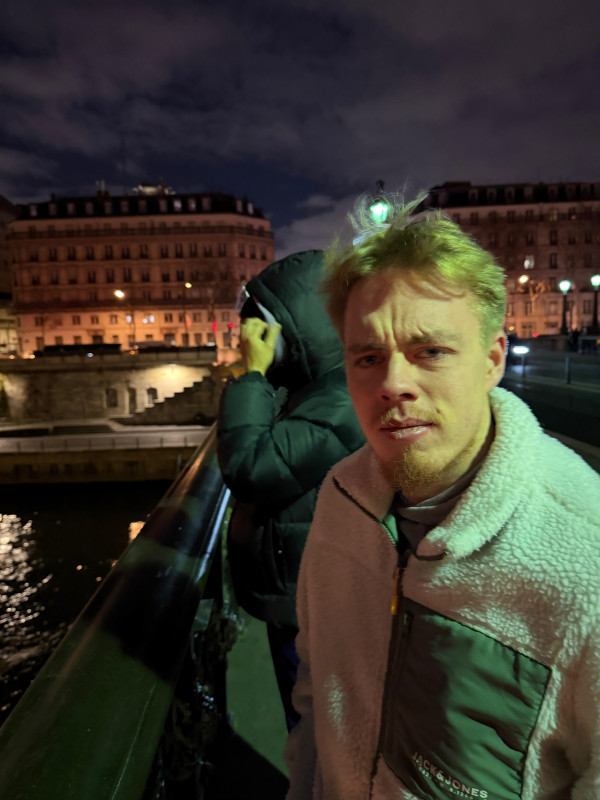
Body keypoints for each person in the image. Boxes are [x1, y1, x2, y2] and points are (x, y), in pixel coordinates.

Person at [286, 195, 600, 799]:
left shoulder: (586, 556)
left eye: (430, 352)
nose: (393, 384)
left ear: (492, 360)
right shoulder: (341, 498)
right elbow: (316, 691)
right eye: (368, 357)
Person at [217, 250, 364, 731]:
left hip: (313, 603)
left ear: (299, 326)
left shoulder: (339, 402)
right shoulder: (321, 388)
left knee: (314, 726)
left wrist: (252, 376)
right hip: (302, 590)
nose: (247, 336)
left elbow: (250, 468)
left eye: (260, 326)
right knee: (310, 719)